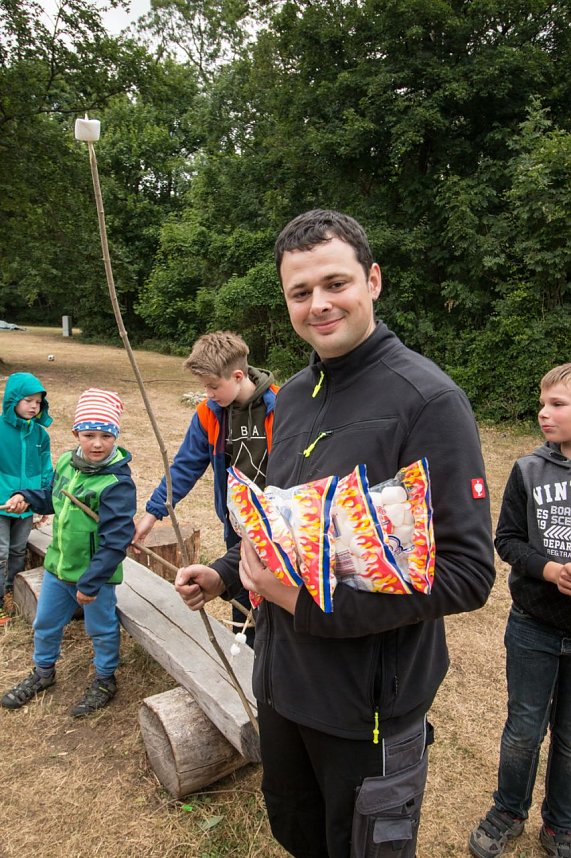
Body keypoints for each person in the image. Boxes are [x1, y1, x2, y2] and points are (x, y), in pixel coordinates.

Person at [174, 209, 496, 858]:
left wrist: (308, 603)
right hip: (283, 685)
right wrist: (228, 570)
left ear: (371, 280)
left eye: (334, 283)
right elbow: (288, 525)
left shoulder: (426, 401)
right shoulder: (289, 399)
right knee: (297, 837)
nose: (318, 304)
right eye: (300, 292)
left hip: (366, 711)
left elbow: (467, 573)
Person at [469, 364, 571, 858]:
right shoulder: (529, 469)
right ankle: (508, 810)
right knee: (523, 730)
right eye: (542, 402)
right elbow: (506, 539)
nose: (543, 413)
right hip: (534, 624)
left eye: (558, 405)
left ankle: (560, 825)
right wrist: (550, 570)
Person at [133, 331, 279, 646]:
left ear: (238, 376)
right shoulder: (208, 414)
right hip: (236, 527)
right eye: (204, 387)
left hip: (279, 528)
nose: (208, 394)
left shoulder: (280, 407)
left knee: (277, 606)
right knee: (243, 602)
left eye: (213, 386)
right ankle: (249, 657)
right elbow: (186, 466)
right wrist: (152, 513)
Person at [0, 388, 136, 717]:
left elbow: (117, 540)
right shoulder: (66, 462)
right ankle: (43, 673)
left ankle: (105, 679)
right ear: (76, 433)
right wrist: (27, 496)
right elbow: (53, 497)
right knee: (45, 623)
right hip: (58, 569)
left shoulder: (117, 483)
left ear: (116, 436)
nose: (98, 443)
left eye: (106, 435)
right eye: (89, 435)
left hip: (96, 578)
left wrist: (91, 582)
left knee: (100, 630)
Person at [0, 372, 53, 626]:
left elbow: (45, 470)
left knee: (17, 550)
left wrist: (42, 501)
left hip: (27, 506)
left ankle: (11, 591)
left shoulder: (41, 436)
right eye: (28, 400)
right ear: (13, 400)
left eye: (39, 402)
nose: (34, 406)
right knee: (0, 552)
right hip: (2, 505)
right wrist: (9, 497)